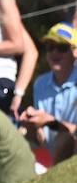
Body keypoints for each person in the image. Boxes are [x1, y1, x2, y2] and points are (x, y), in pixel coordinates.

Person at [19, 23, 77, 166]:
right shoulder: (40, 84)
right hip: (51, 157)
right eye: (50, 47)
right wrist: (32, 126)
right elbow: (42, 140)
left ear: (75, 52)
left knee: (64, 137)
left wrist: (50, 122)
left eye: (62, 48)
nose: (54, 53)